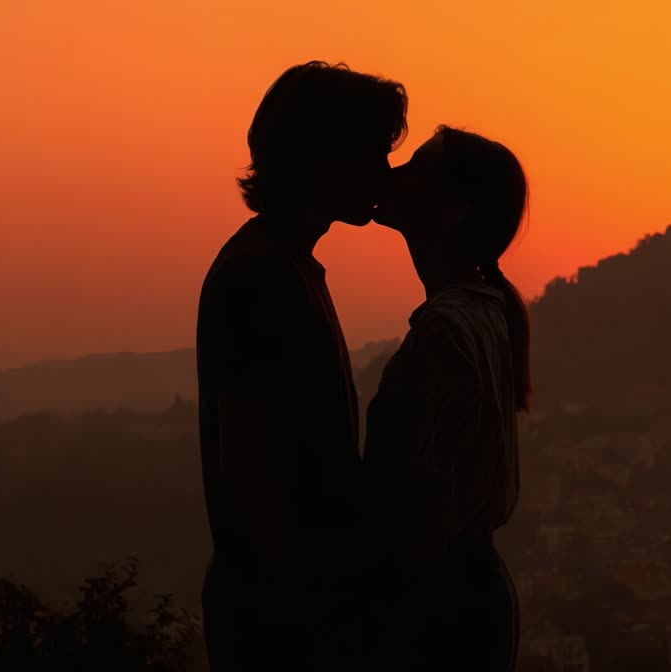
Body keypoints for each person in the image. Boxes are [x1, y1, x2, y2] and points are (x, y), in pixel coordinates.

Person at [195, 61, 406, 670]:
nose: (384, 173)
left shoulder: (284, 266)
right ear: (325, 158)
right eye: (373, 154)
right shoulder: (263, 276)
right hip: (282, 618)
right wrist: (316, 618)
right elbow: (254, 470)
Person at [364, 126, 530, 671]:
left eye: (416, 169)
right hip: (467, 595)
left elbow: (426, 494)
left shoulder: (444, 329)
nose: (394, 174)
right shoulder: (483, 312)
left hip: (438, 608)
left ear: (454, 210)